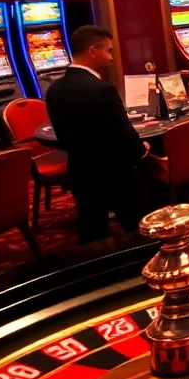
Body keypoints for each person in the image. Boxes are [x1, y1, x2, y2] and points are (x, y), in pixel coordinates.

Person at [46, 25, 153, 244]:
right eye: (108, 51)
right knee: (141, 233)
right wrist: (141, 149)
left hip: (80, 172)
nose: (111, 58)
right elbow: (124, 134)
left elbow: (63, 139)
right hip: (117, 174)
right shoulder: (101, 89)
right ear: (93, 51)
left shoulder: (54, 89)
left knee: (92, 235)